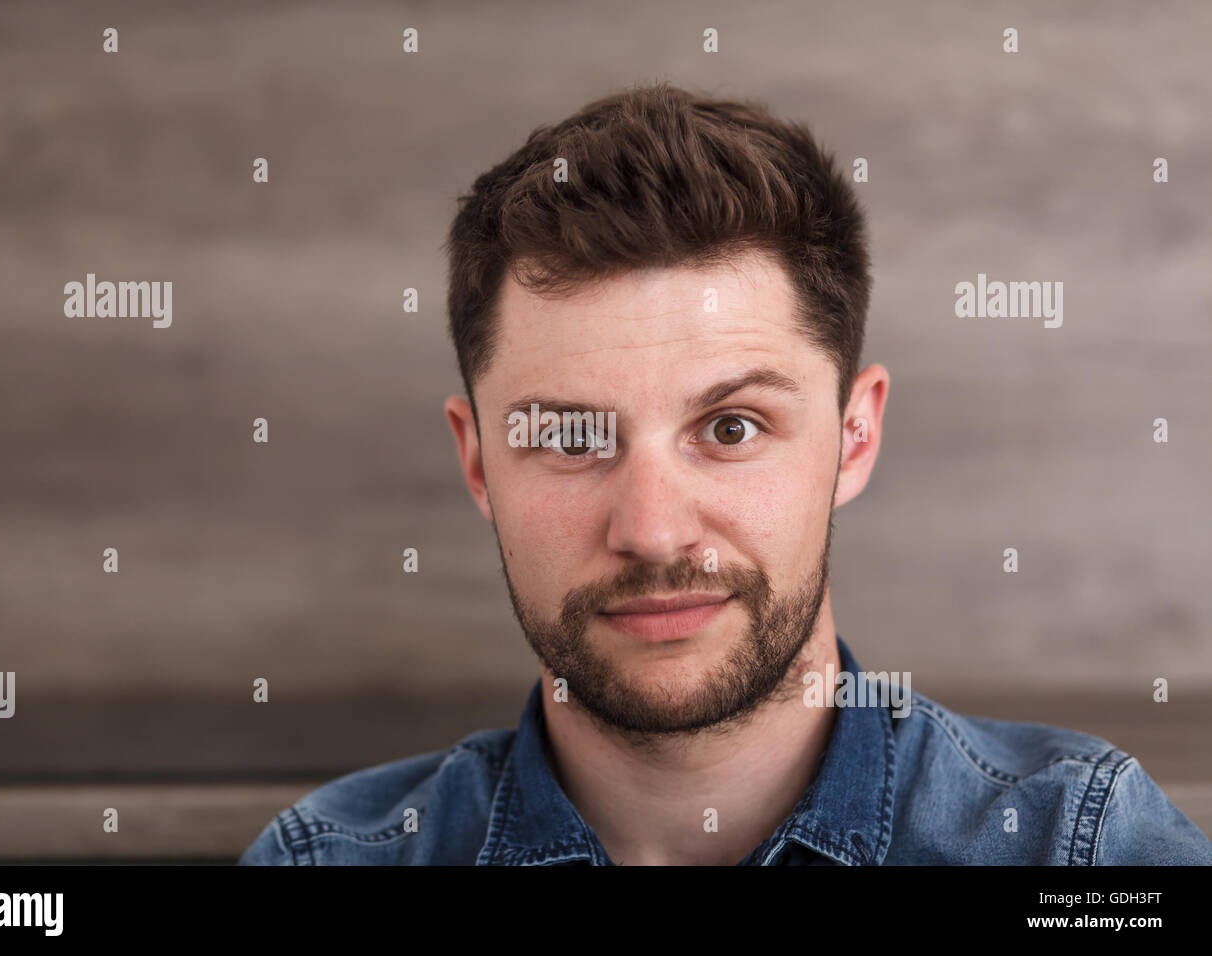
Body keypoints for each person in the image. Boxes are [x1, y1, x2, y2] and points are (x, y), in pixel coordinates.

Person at [240, 83, 1211, 865]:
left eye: (732, 425)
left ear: (854, 436)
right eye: (572, 437)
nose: (655, 531)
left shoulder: (1077, 848)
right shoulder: (325, 859)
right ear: (477, 460)